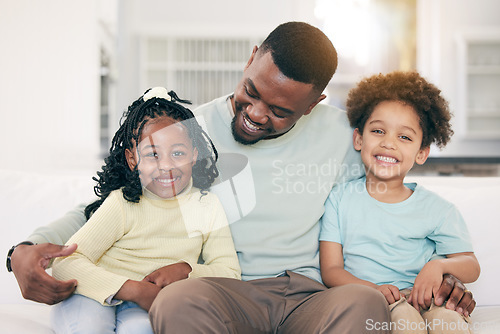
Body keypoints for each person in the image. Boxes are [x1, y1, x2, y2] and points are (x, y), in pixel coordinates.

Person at [7, 22, 475, 333]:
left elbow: (398, 199)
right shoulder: (187, 130)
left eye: (279, 111)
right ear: (251, 57)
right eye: (250, 92)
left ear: (314, 104)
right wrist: (22, 251)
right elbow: (112, 202)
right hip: (222, 290)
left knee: (365, 308)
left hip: (308, 294)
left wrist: (441, 275)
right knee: (174, 303)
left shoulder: (343, 137)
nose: (253, 114)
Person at [49, 87, 240, 333]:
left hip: (149, 304)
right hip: (92, 296)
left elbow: (230, 274)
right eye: (152, 155)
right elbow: (65, 262)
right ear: (132, 160)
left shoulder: (207, 206)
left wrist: (187, 270)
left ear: (194, 155)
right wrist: (133, 289)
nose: (167, 166)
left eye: (178, 153)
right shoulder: (122, 203)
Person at [319, 71, 480, 334]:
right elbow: (331, 270)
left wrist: (437, 266)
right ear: (359, 139)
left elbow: (471, 266)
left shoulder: (439, 209)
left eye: (404, 137)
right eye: (378, 131)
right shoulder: (339, 200)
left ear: (421, 153)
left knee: (450, 324)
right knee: (405, 322)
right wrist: (374, 290)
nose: (389, 143)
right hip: (380, 301)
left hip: (430, 299)